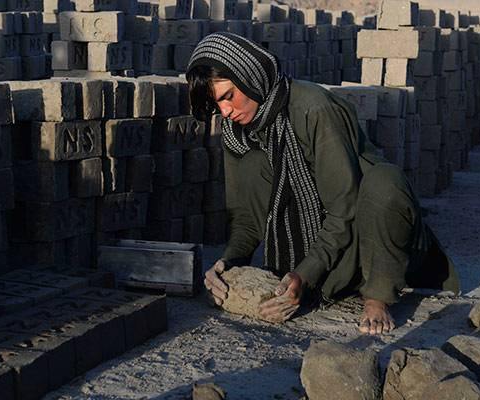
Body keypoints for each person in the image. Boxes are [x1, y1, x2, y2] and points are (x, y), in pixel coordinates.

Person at [186, 32, 460, 335]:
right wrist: (228, 263)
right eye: (217, 104)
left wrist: (306, 274)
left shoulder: (313, 108)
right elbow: (246, 219)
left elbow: (345, 209)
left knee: (385, 181)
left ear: (250, 77)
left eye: (227, 96)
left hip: (369, 233)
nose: (225, 112)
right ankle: (324, 281)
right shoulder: (238, 133)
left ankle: (377, 295)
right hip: (321, 249)